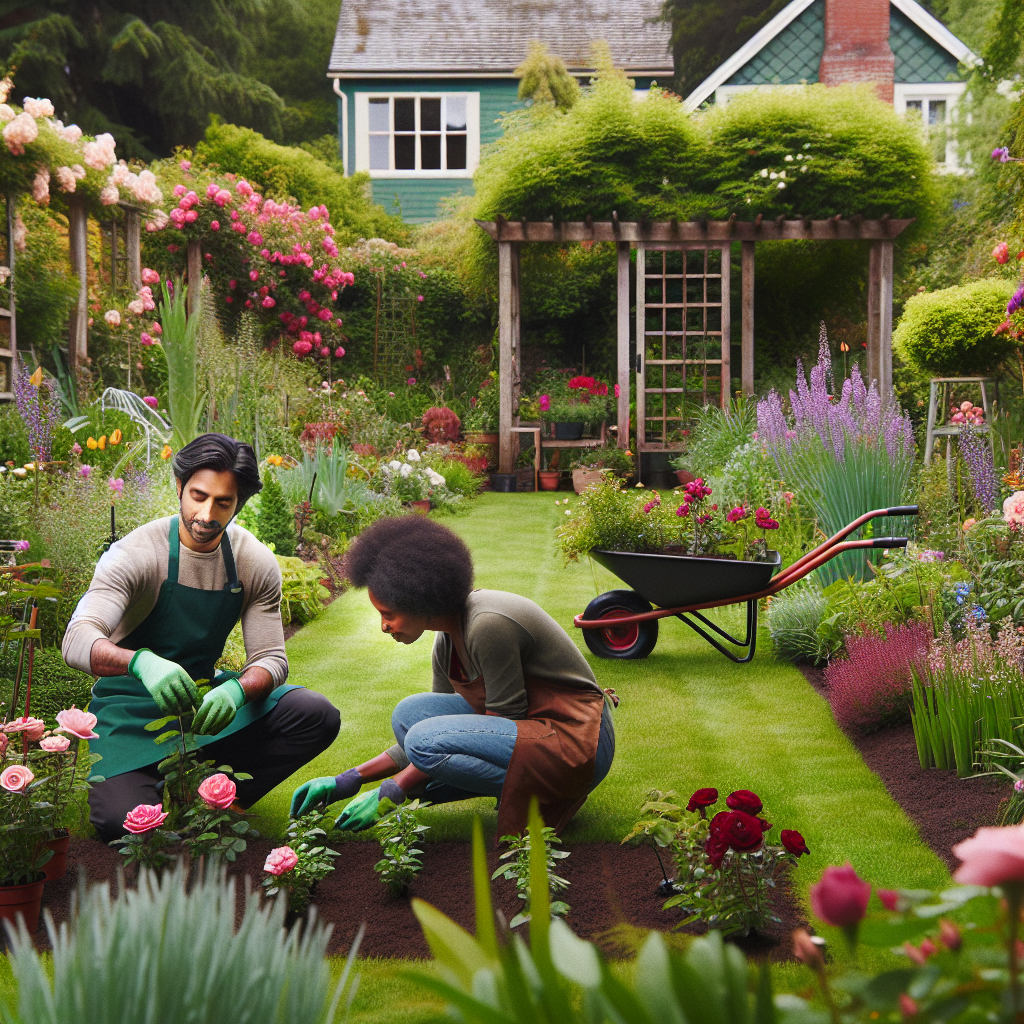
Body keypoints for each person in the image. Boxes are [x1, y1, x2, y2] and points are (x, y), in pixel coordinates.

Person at [63, 433, 340, 843]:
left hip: (205, 702)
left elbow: (271, 660)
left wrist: (237, 694)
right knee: (120, 824)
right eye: (198, 495)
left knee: (314, 713)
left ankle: (213, 802)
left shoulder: (253, 562)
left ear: (238, 504)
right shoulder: (135, 554)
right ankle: (160, 783)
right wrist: (141, 662)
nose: (206, 513)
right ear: (179, 487)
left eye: (223, 502)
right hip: (130, 708)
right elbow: (76, 640)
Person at [290, 516, 615, 837]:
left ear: (420, 599)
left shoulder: (488, 624)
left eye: (388, 614)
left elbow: (491, 724)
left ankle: (551, 795)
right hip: (532, 734)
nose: (384, 626)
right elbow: (437, 738)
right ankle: (523, 792)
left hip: (579, 743)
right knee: (409, 718)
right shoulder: (446, 642)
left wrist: (391, 791)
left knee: (419, 747)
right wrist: (349, 779)